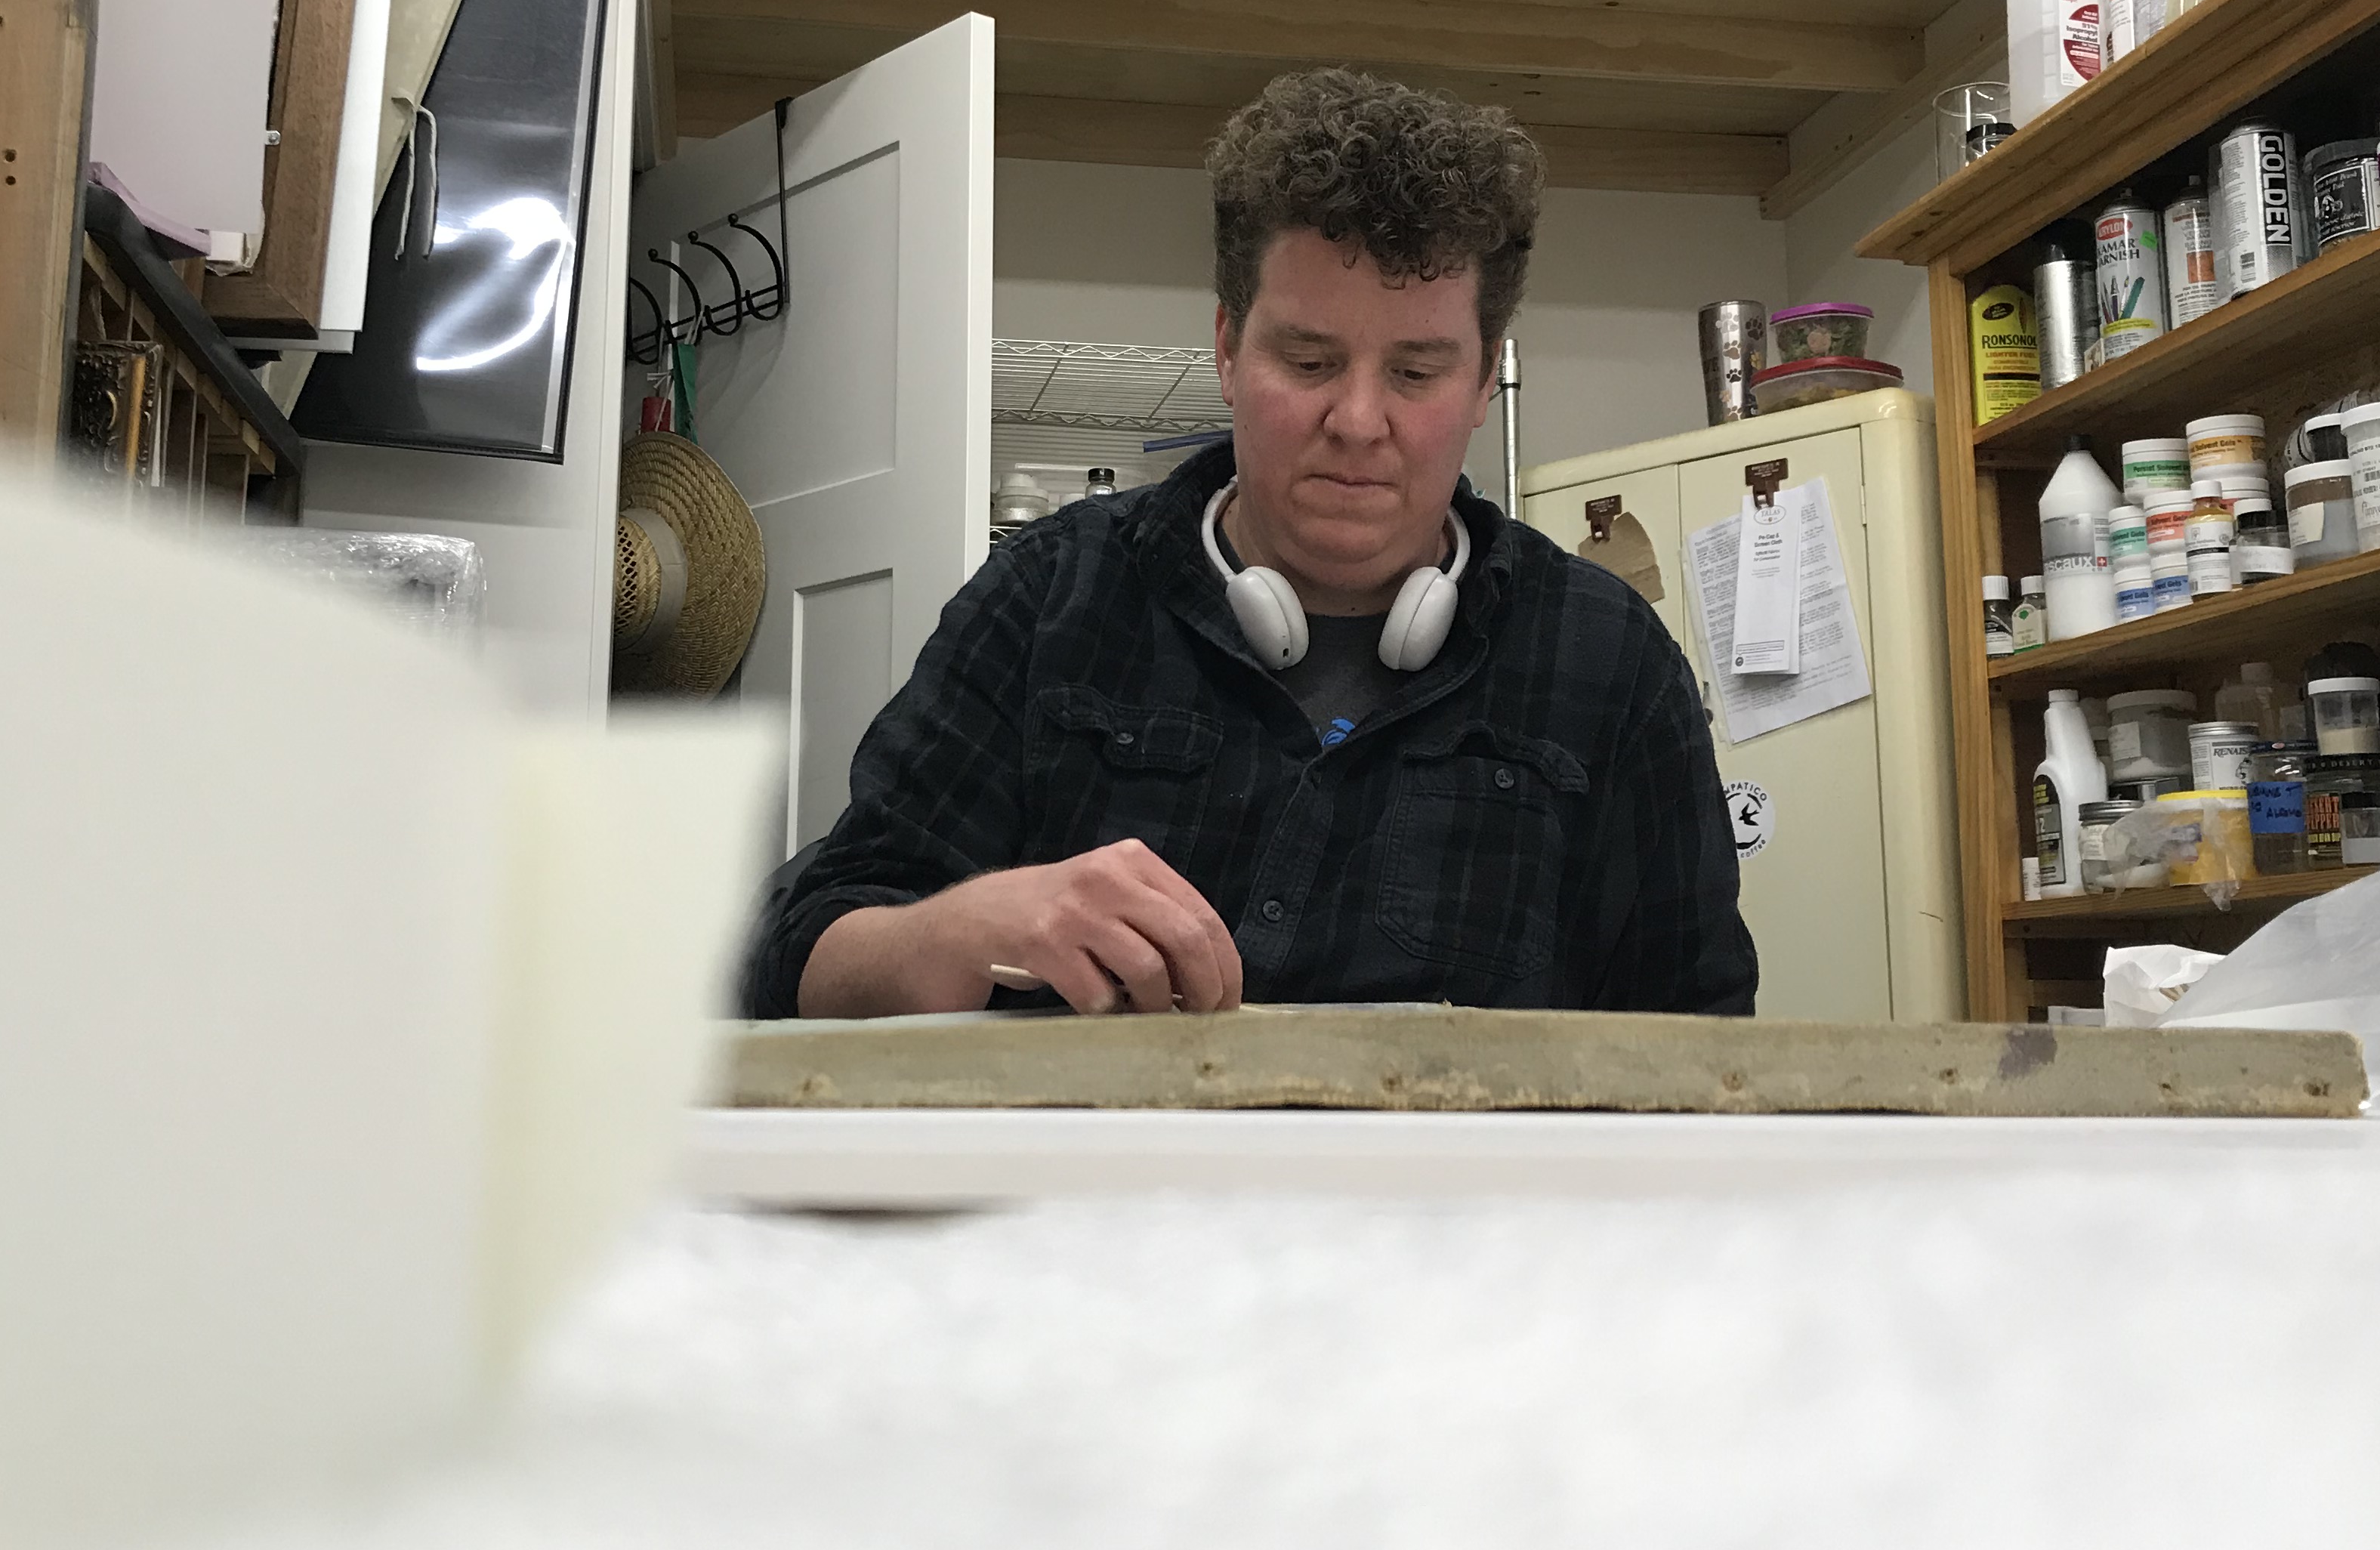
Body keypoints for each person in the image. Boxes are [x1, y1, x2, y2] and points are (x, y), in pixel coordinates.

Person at [740, 68, 1757, 1021]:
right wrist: (962, 932)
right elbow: (799, 960)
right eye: (1309, 361)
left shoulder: (1613, 666)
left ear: (1487, 378)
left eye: (1417, 374)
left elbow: (1706, 1047)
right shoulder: (1046, 599)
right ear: (1228, 349)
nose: (1358, 422)